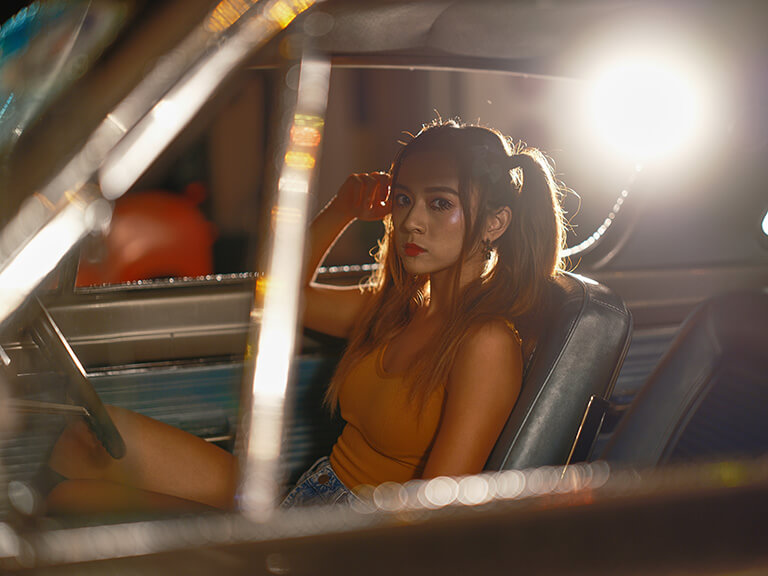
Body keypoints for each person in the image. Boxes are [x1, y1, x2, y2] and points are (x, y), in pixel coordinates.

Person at [44, 119, 565, 513]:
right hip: (308, 495)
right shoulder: (396, 308)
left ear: (496, 222)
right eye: (404, 199)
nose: (411, 221)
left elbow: (434, 512)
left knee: (71, 504)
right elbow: (277, 297)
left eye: (440, 203)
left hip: (348, 542)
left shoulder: (487, 343)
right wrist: (341, 209)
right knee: (87, 440)